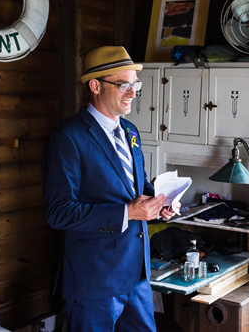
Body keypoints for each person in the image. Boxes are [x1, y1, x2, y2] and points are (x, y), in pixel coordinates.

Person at [43, 46, 177, 331]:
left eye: (134, 85)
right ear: (95, 85)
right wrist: (128, 212)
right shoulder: (67, 137)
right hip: (95, 278)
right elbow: (59, 212)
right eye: (123, 85)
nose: (132, 93)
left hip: (138, 273)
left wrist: (160, 202)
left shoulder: (130, 131)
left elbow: (136, 185)